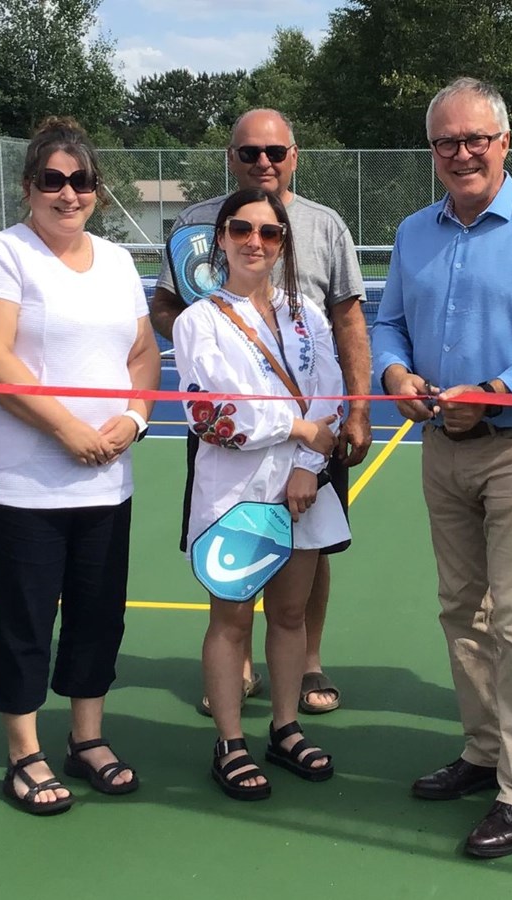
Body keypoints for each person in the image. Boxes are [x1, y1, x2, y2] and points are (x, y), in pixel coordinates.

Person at [372, 77, 512, 858]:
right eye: (446, 142)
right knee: (463, 609)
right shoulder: (413, 233)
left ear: (504, 142)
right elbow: (388, 321)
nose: (462, 153)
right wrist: (395, 375)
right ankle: (484, 749)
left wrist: (494, 394)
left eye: (476, 139)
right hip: (442, 447)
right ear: (432, 151)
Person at [0, 117, 158, 815]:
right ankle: (25, 752)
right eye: (53, 180)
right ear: (29, 187)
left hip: (106, 477)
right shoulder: (2, 255)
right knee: (26, 620)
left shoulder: (117, 262)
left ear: (97, 192)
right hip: (20, 483)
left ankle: (87, 738)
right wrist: (69, 427)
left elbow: (143, 356)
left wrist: (131, 421)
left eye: (81, 181)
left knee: (100, 616)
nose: (68, 194)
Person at [151, 108, 367, 717]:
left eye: (275, 151)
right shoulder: (196, 259)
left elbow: (341, 338)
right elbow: (212, 412)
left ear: (294, 155)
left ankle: (296, 695)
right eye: (250, 152)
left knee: (298, 591)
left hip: (309, 464)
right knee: (235, 598)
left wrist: (318, 441)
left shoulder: (317, 257)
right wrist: (221, 332)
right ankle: (233, 716)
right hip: (241, 472)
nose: (263, 162)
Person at [174, 188, 347, 801]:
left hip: (304, 489)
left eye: (269, 233)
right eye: (242, 229)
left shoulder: (307, 312)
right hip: (237, 494)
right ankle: (229, 741)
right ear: (220, 237)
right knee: (232, 618)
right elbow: (212, 416)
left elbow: (331, 392)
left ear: (282, 243)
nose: (255, 241)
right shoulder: (198, 320)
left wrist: (307, 461)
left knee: (292, 613)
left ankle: (284, 726)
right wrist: (296, 427)